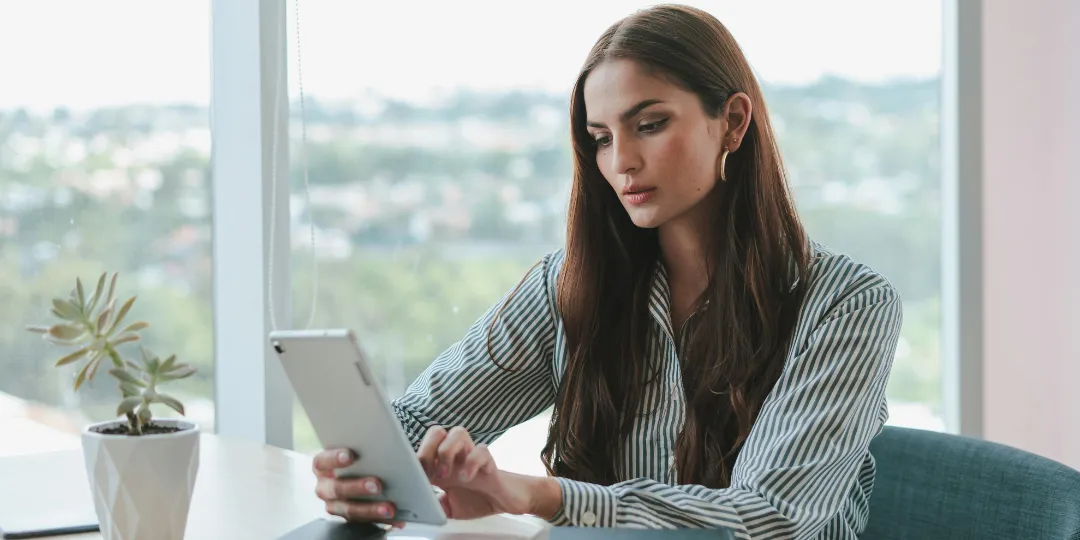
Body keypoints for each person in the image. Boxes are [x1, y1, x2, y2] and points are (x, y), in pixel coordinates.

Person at [311, 4, 902, 539]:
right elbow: (419, 420)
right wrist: (365, 473)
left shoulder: (847, 304)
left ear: (733, 122)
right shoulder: (570, 286)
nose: (621, 162)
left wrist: (540, 496)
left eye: (649, 125)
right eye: (600, 138)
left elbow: (769, 516)